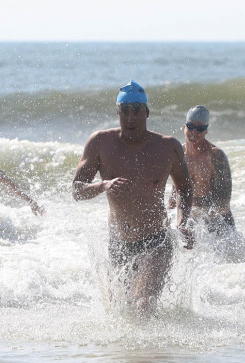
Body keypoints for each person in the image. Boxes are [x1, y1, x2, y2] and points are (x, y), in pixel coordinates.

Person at [72, 80, 193, 311]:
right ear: (117, 112)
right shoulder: (100, 143)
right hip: (119, 243)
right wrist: (103, 185)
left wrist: (183, 223)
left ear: (146, 112)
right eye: (124, 111)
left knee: (144, 305)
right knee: (122, 309)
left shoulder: (167, 147)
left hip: (156, 241)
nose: (130, 118)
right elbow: (77, 190)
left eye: (136, 111)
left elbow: (185, 189)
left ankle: (153, 347)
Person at [169, 105, 236, 235]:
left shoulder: (216, 156)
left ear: (206, 131)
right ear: (184, 126)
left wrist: (194, 207)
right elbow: (175, 190)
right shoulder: (179, 153)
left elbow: (224, 202)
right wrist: (169, 216)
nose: (194, 132)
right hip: (192, 219)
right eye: (191, 127)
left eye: (200, 129)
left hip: (218, 223)